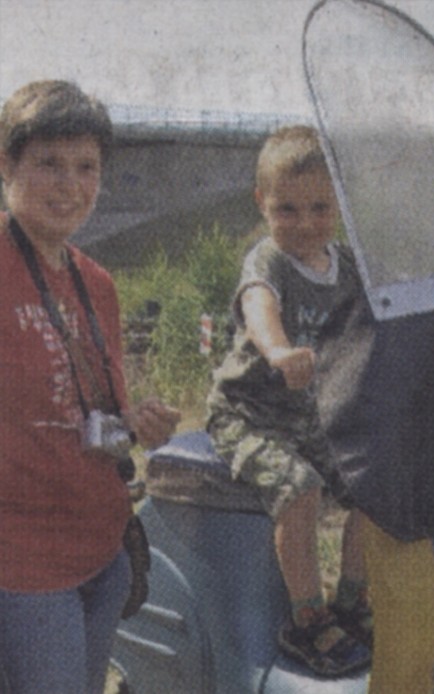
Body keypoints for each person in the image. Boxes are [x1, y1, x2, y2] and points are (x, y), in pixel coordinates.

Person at [0, 80, 180, 694]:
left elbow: (101, 411)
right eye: (49, 163)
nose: (70, 185)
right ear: (6, 165)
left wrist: (140, 420)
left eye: (86, 167)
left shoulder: (96, 283)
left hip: (103, 551)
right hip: (23, 565)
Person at [206, 125, 372, 678]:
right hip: (248, 414)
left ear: (339, 203)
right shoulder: (269, 261)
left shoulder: (348, 267)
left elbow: (377, 321)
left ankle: (352, 601)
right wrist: (277, 349)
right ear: (262, 203)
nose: (304, 223)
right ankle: (307, 619)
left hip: (311, 416)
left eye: (319, 208)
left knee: (375, 484)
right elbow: (260, 307)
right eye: (287, 209)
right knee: (300, 487)